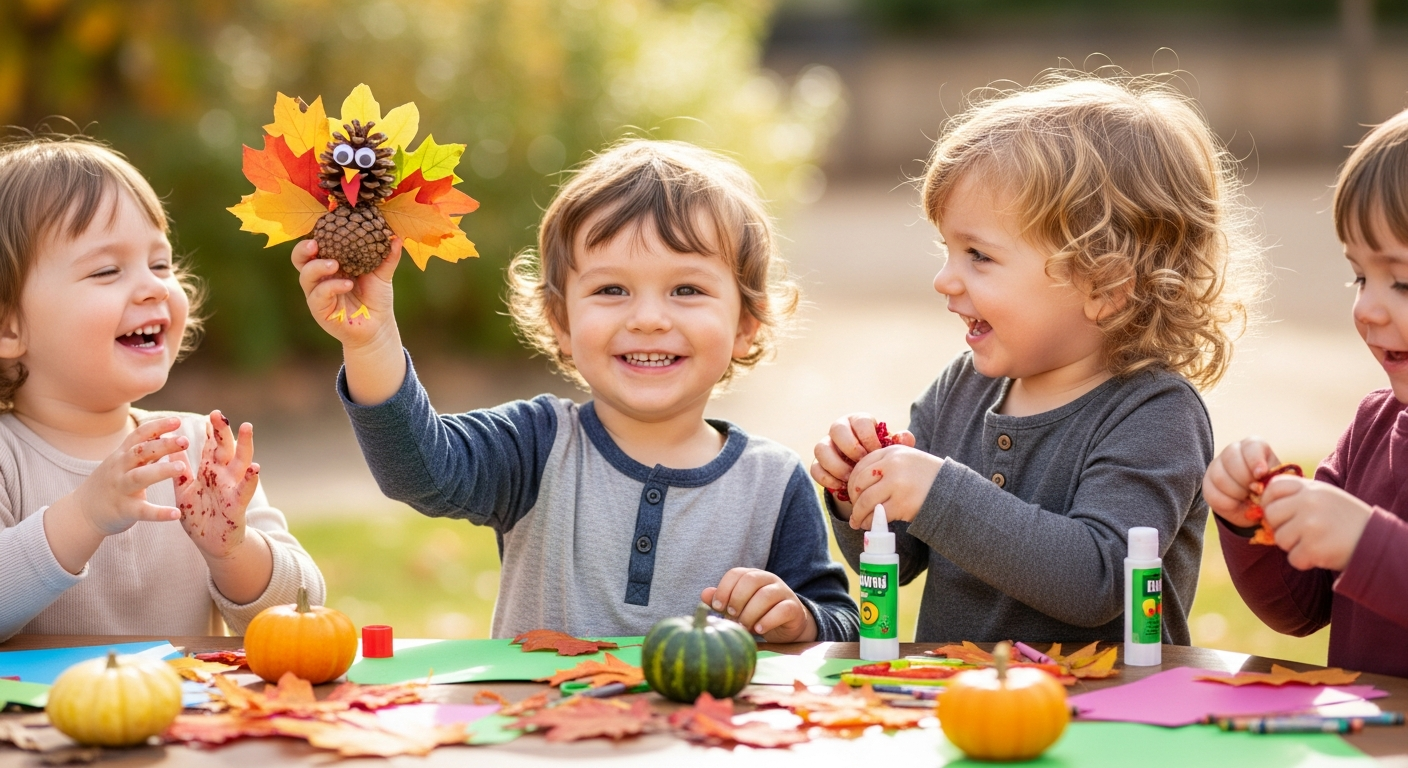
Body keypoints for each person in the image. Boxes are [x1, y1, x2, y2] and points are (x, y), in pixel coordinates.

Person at [293, 139, 857, 642]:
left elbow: (842, 623)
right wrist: (370, 342)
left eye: (686, 289)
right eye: (612, 289)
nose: (649, 318)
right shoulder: (535, 444)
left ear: (745, 325)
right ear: (560, 322)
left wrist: (800, 619)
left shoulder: (775, 482)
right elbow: (420, 471)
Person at [812, 73, 1260, 644]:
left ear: (1104, 285)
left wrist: (936, 490)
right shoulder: (961, 388)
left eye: (978, 255)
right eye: (947, 250)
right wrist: (863, 488)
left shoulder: (1156, 414)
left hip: (1108, 719)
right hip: (963, 707)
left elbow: (1099, 579)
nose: (944, 279)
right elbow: (896, 558)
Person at [0, 136, 324, 640]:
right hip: (38, 720)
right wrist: (84, 515)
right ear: (8, 327)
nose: (153, 287)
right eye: (107, 270)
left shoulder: (196, 451)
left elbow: (303, 608)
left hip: (193, 715)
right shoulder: (8, 459)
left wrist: (232, 551)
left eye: (160, 264)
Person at [1205, 110, 1408, 677]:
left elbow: (1364, 552)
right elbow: (1301, 607)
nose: (1367, 308)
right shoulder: (1374, 426)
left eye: (1403, 281)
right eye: (1359, 277)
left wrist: (1365, 544)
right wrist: (1257, 526)